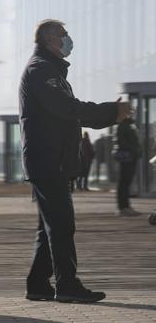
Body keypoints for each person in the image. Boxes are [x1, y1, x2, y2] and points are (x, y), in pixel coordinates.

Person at [20, 19, 132, 304]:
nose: (68, 39)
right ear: (49, 40)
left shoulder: (50, 71)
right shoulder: (40, 69)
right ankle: (67, 286)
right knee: (61, 224)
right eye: (63, 35)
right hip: (48, 161)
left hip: (53, 161)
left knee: (50, 226)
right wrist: (111, 112)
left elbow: (70, 114)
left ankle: (37, 283)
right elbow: (68, 109)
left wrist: (109, 114)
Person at [114, 118, 141, 216]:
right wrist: (132, 150)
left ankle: (126, 206)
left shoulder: (129, 125)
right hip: (127, 157)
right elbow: (122, 141)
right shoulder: (123, 126)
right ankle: (123, 208)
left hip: (131, 156)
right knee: (124, 182)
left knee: (126, 182)